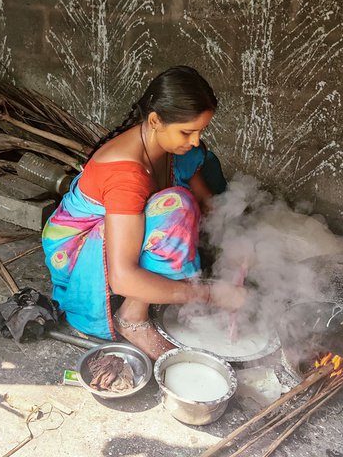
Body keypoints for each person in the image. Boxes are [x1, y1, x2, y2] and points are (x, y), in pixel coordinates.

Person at [41, 66, 245, 360]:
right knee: (178, 208)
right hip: (78, 250)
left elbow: (210, 206)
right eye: (187, 131)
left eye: (201, 130)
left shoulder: (173, 148)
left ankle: (160, 284)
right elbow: (123, 276)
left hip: (121, 233)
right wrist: (210, 295)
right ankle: (132, 318)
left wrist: (241, 247)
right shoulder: (126, 174)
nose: (196, 140)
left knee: (202, 172)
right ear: (155, 121)